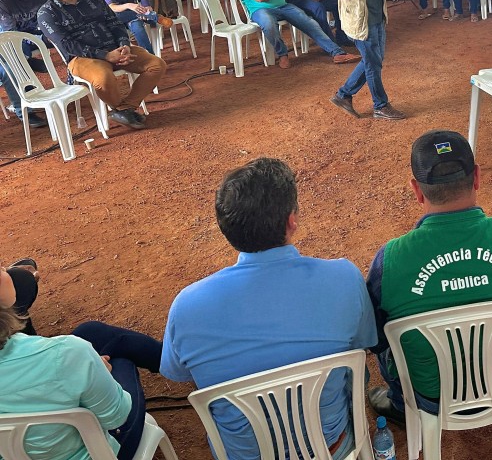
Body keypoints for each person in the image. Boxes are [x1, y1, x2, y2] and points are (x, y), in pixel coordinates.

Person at [161, 158, 376, 460]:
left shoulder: (186, 306)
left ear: (225, 228)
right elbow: (364, 344)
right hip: (331, 448)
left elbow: (179, 373)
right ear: (292, 220)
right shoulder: (344, 278)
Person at [365, 130, 492, 423]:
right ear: (476, 177)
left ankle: (401, 405)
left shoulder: (389, 260)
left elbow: (375, 338)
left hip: (428, 397)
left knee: (387, 344)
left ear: (416, 190)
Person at [0, 309, 164, 460]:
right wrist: (100, 371)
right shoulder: (67, 352)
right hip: (100, 453)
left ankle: (168, 358)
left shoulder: (66, 352)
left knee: (90, 332)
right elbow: (117, 418)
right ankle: (173, 361)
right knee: (119, 361)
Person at [37, 0, 165, 130]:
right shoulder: (46, 13)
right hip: (82, 58)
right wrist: (106, 55)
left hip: (115, 49)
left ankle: (124, 109)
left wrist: (124, 45)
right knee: (103, 78)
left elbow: (115, 23)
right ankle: (123, 110)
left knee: (156, 65)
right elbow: (67, 44)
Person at [0, 0, 51, 128]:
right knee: (10, 66)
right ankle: (24, 111)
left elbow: (48, 18)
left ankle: (72, 82)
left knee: (63, 37)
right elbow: (11, 34)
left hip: (32, 35)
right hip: (6, 40)